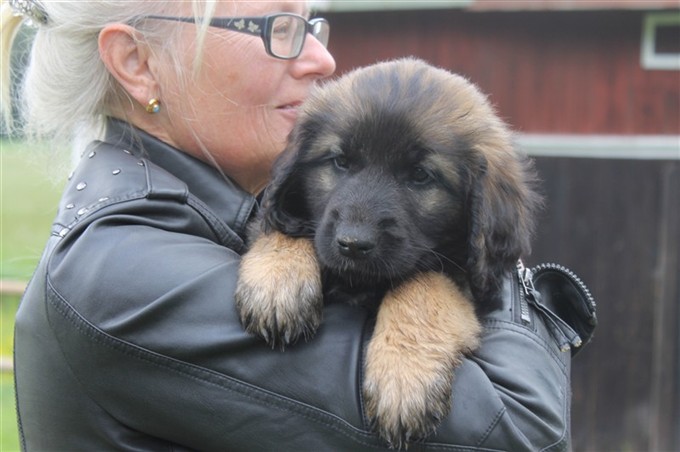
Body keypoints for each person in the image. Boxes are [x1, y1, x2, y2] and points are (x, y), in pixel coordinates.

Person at [2, 0, 589, 450]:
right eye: (277, 28)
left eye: (312, 24)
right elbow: (520, 429)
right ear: (139, 64)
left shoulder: (204, 214)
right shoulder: (122, 274)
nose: (321, 59)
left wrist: (439, 284)